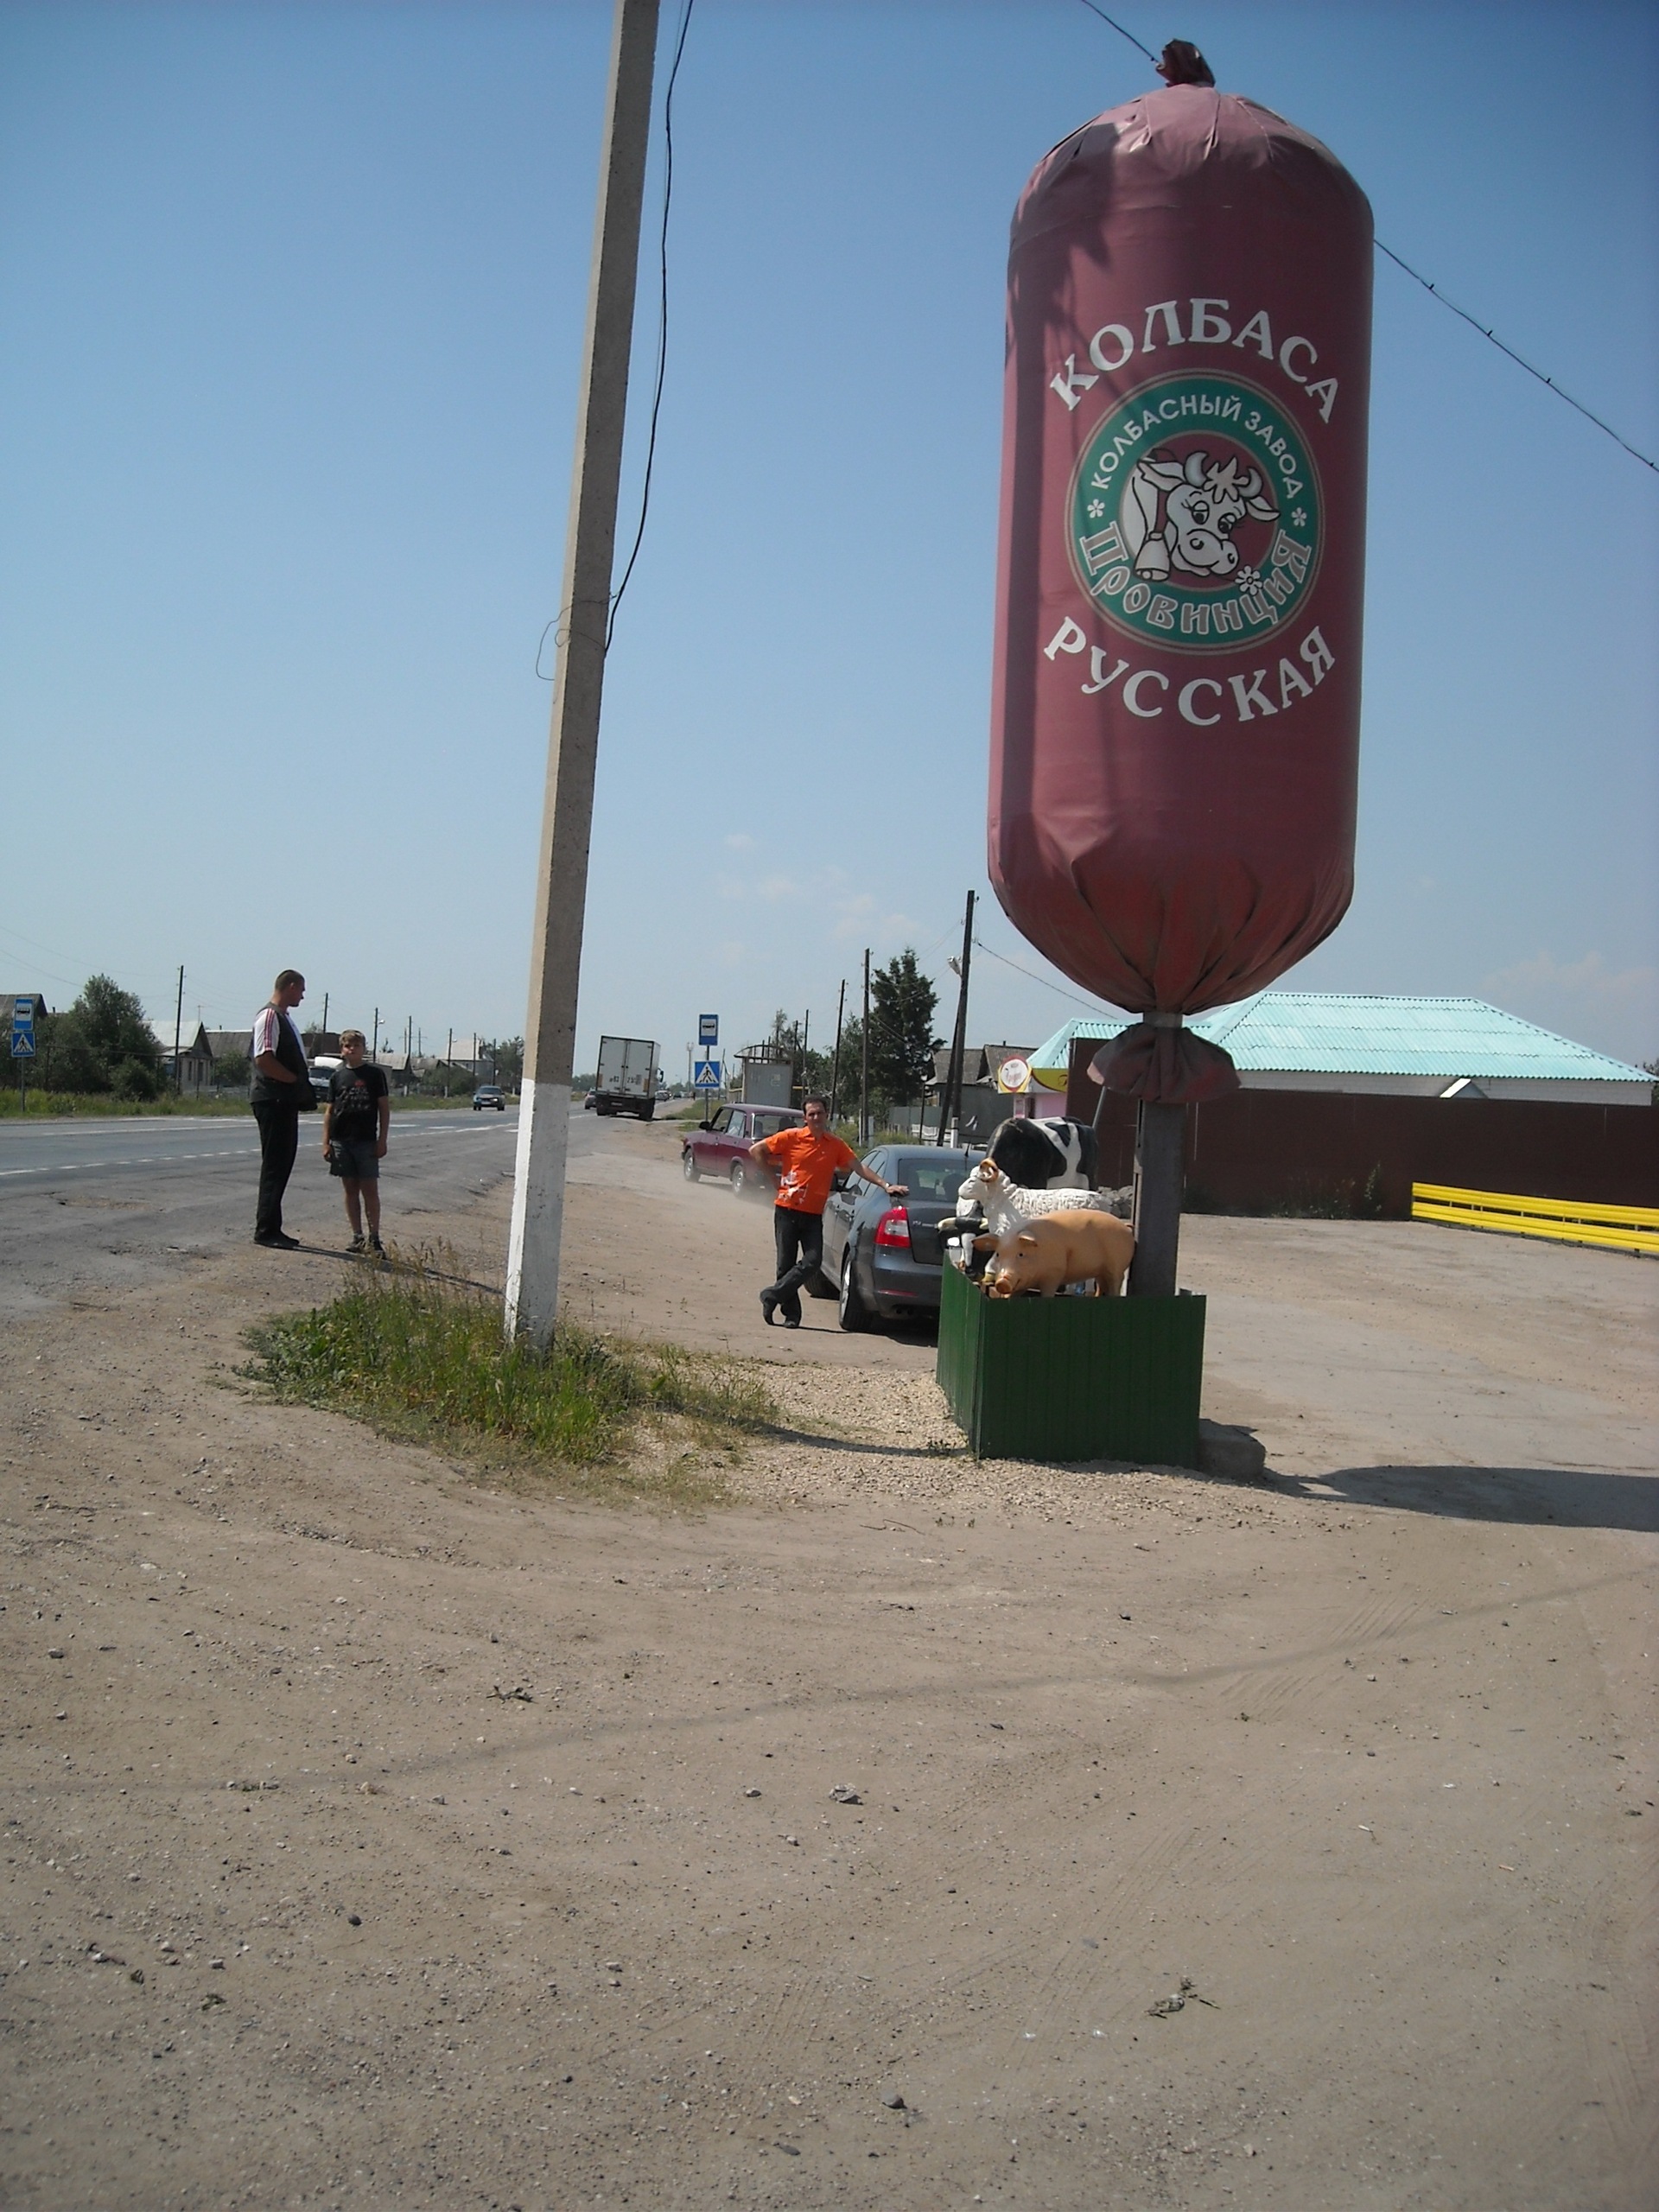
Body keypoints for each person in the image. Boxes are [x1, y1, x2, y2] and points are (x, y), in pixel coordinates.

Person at [748, 1094, 906, 1329]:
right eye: (811, 1114)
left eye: (819, 1113)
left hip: (813, 1214)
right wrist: (774, 1180)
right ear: (805, 1118)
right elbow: (756, 1150)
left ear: (826, 1115)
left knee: (813, 1262)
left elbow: (859, 1167)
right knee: (785, 1265)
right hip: (787, 1210)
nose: (816, 1117)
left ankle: (772, 1295)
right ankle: (791, 1315)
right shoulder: (791, 1137)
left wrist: (886, 1185)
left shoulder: (835, 1145)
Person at [249, 969, 315, 1249]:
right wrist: (293, 1080)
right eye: (301, 989)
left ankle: (273, 1226)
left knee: (283, 1162)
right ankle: (266, 1230)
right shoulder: (269, 1016)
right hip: (272, 1099)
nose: (302, 995)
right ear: (289, 986)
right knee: (275, 1164)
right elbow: (264, 1058)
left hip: (283, 1100)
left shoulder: (285, 1018)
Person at [321, 1029, 391, 1255]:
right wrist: (326, 1142)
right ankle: (357, 1236)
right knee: (350, 1190)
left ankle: (375, 1238)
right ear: (342, 1050)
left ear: (364, 1049)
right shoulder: (337, 1077)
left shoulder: (374, 1075)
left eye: (357, 1046)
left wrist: (382, 1140)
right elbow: (330, 1111)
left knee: (369, 1190)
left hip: (366, 1141)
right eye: (348, 1046)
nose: (352, 1050)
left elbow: (383, 1108)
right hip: (342, 1140)